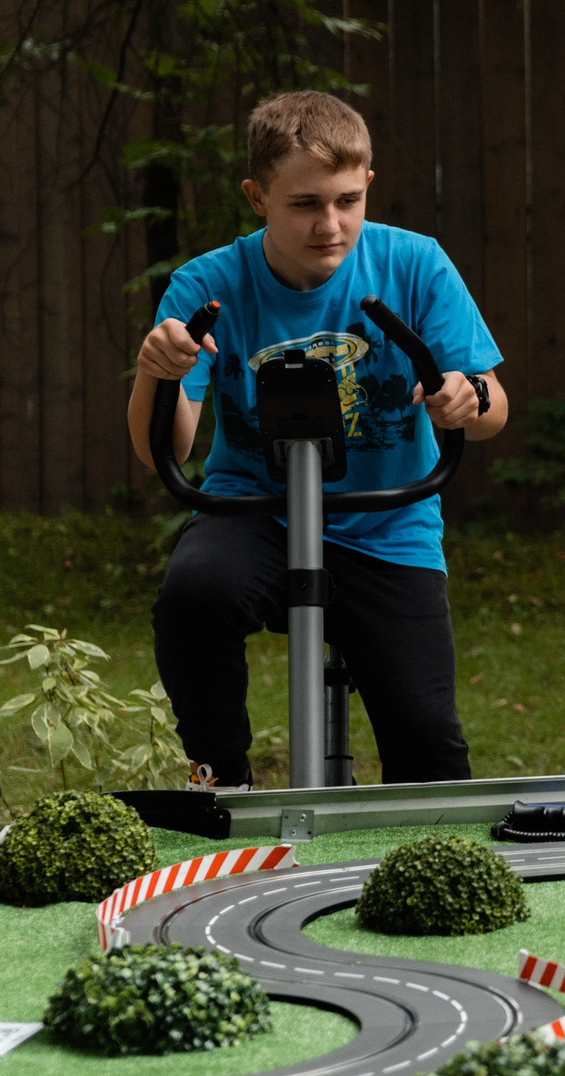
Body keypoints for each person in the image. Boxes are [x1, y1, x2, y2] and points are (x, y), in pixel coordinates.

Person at [129, 91, 510, 786]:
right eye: (305, 204)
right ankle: (223, 777)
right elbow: (169, 447)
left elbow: (493, 406)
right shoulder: (210, 283)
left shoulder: (415, 266)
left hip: (386, 519)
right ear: (257, 196)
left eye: (346, 200)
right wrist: (157, 373)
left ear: (367, 185)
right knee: (193, 598)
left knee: (429, 745)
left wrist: (465, 398)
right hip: (255, 510)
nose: (330, 225)